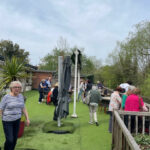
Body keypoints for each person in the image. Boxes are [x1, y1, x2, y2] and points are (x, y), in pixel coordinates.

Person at [0, 81, 30, 150]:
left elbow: (23, 108)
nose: (17, 89)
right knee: (10, 139)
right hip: (7, 121)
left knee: (14, 139)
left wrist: (27, 118)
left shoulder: (21, 96)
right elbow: (1, 108)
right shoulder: (6, 97)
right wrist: (1, 115)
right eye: (15, 87)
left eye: (19, 87)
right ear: (11, 88)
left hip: (17, 120)